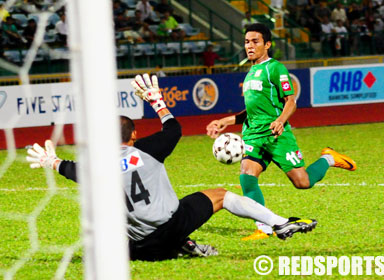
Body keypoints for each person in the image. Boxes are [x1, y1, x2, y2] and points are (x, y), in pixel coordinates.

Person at [26, 73, 317, 261]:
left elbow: (71, 169)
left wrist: (51, 161)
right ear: (135, 135)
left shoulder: (97, 165)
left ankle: (188, 246)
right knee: (219, 196)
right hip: (171, 230)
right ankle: (278, 223)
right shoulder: (148, 149)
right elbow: (174, 129)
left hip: (138, 251)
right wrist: (157, 102)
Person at [206, 23, 356, 241]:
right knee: (247, 175)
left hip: (277, 136)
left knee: (302, 182)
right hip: (253, 136)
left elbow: (291, 101)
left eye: (255, 42)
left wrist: (281, 120)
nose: (250, 46)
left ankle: (329, 158)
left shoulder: (275, 69)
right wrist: (224, 121)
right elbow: (251, 111)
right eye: (247, 42)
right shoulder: (250, 73)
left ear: (267, 44)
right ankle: (264, 227)